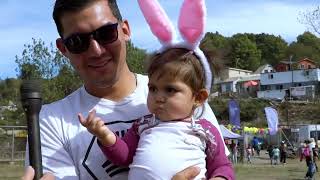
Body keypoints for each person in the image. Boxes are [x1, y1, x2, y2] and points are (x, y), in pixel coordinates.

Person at [23, 0, 229, 179]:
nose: (96, 50)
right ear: (63, 49)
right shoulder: (49, 121)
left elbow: (221, 168)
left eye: (105, 33)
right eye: (78, 42)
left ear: (125, 30)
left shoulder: (187, 96)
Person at [80, 48, 234, 179]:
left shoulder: (204, 130)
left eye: (170, 90)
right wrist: (105, 136)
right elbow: (124, 157)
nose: (158, 97)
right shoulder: (143, 125)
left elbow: (222, 166)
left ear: (199, 98)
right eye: (153, 88)